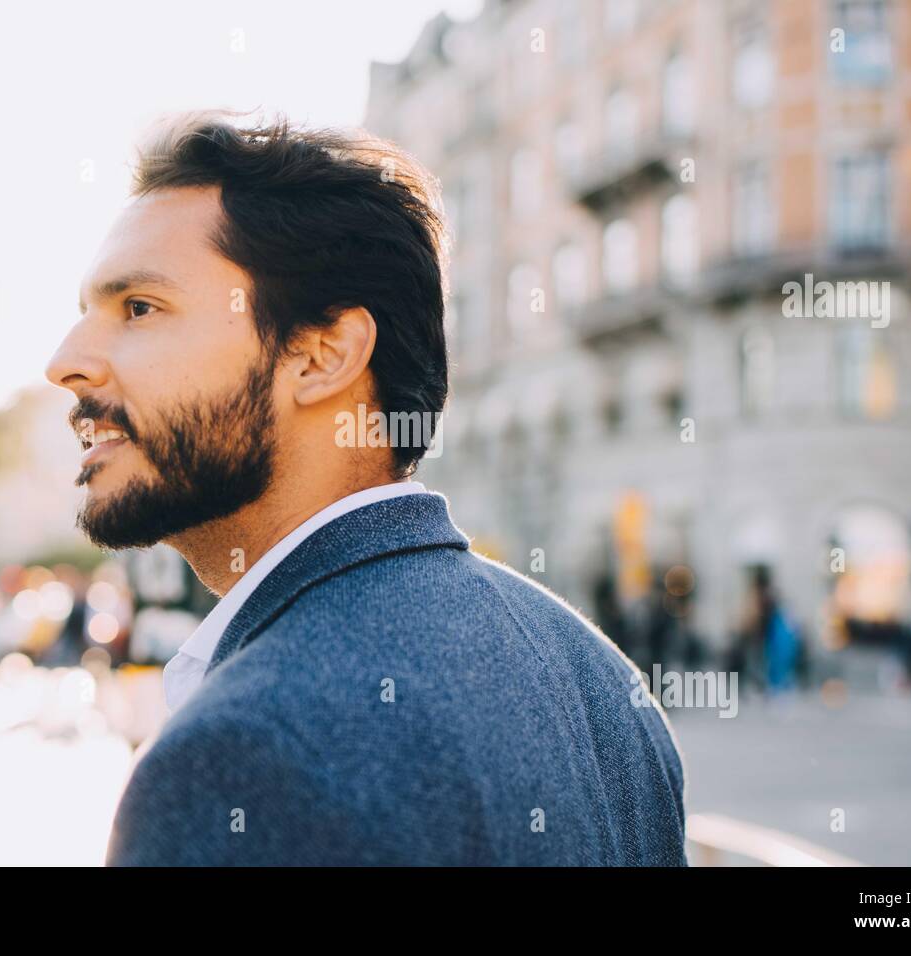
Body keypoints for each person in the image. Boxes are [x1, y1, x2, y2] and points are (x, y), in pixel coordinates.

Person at [46, 113, 686, 865]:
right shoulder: (600, 678)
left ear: (321, 355)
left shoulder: (238, 756)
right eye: (84, 314)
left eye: (140, 309)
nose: (66, 361)